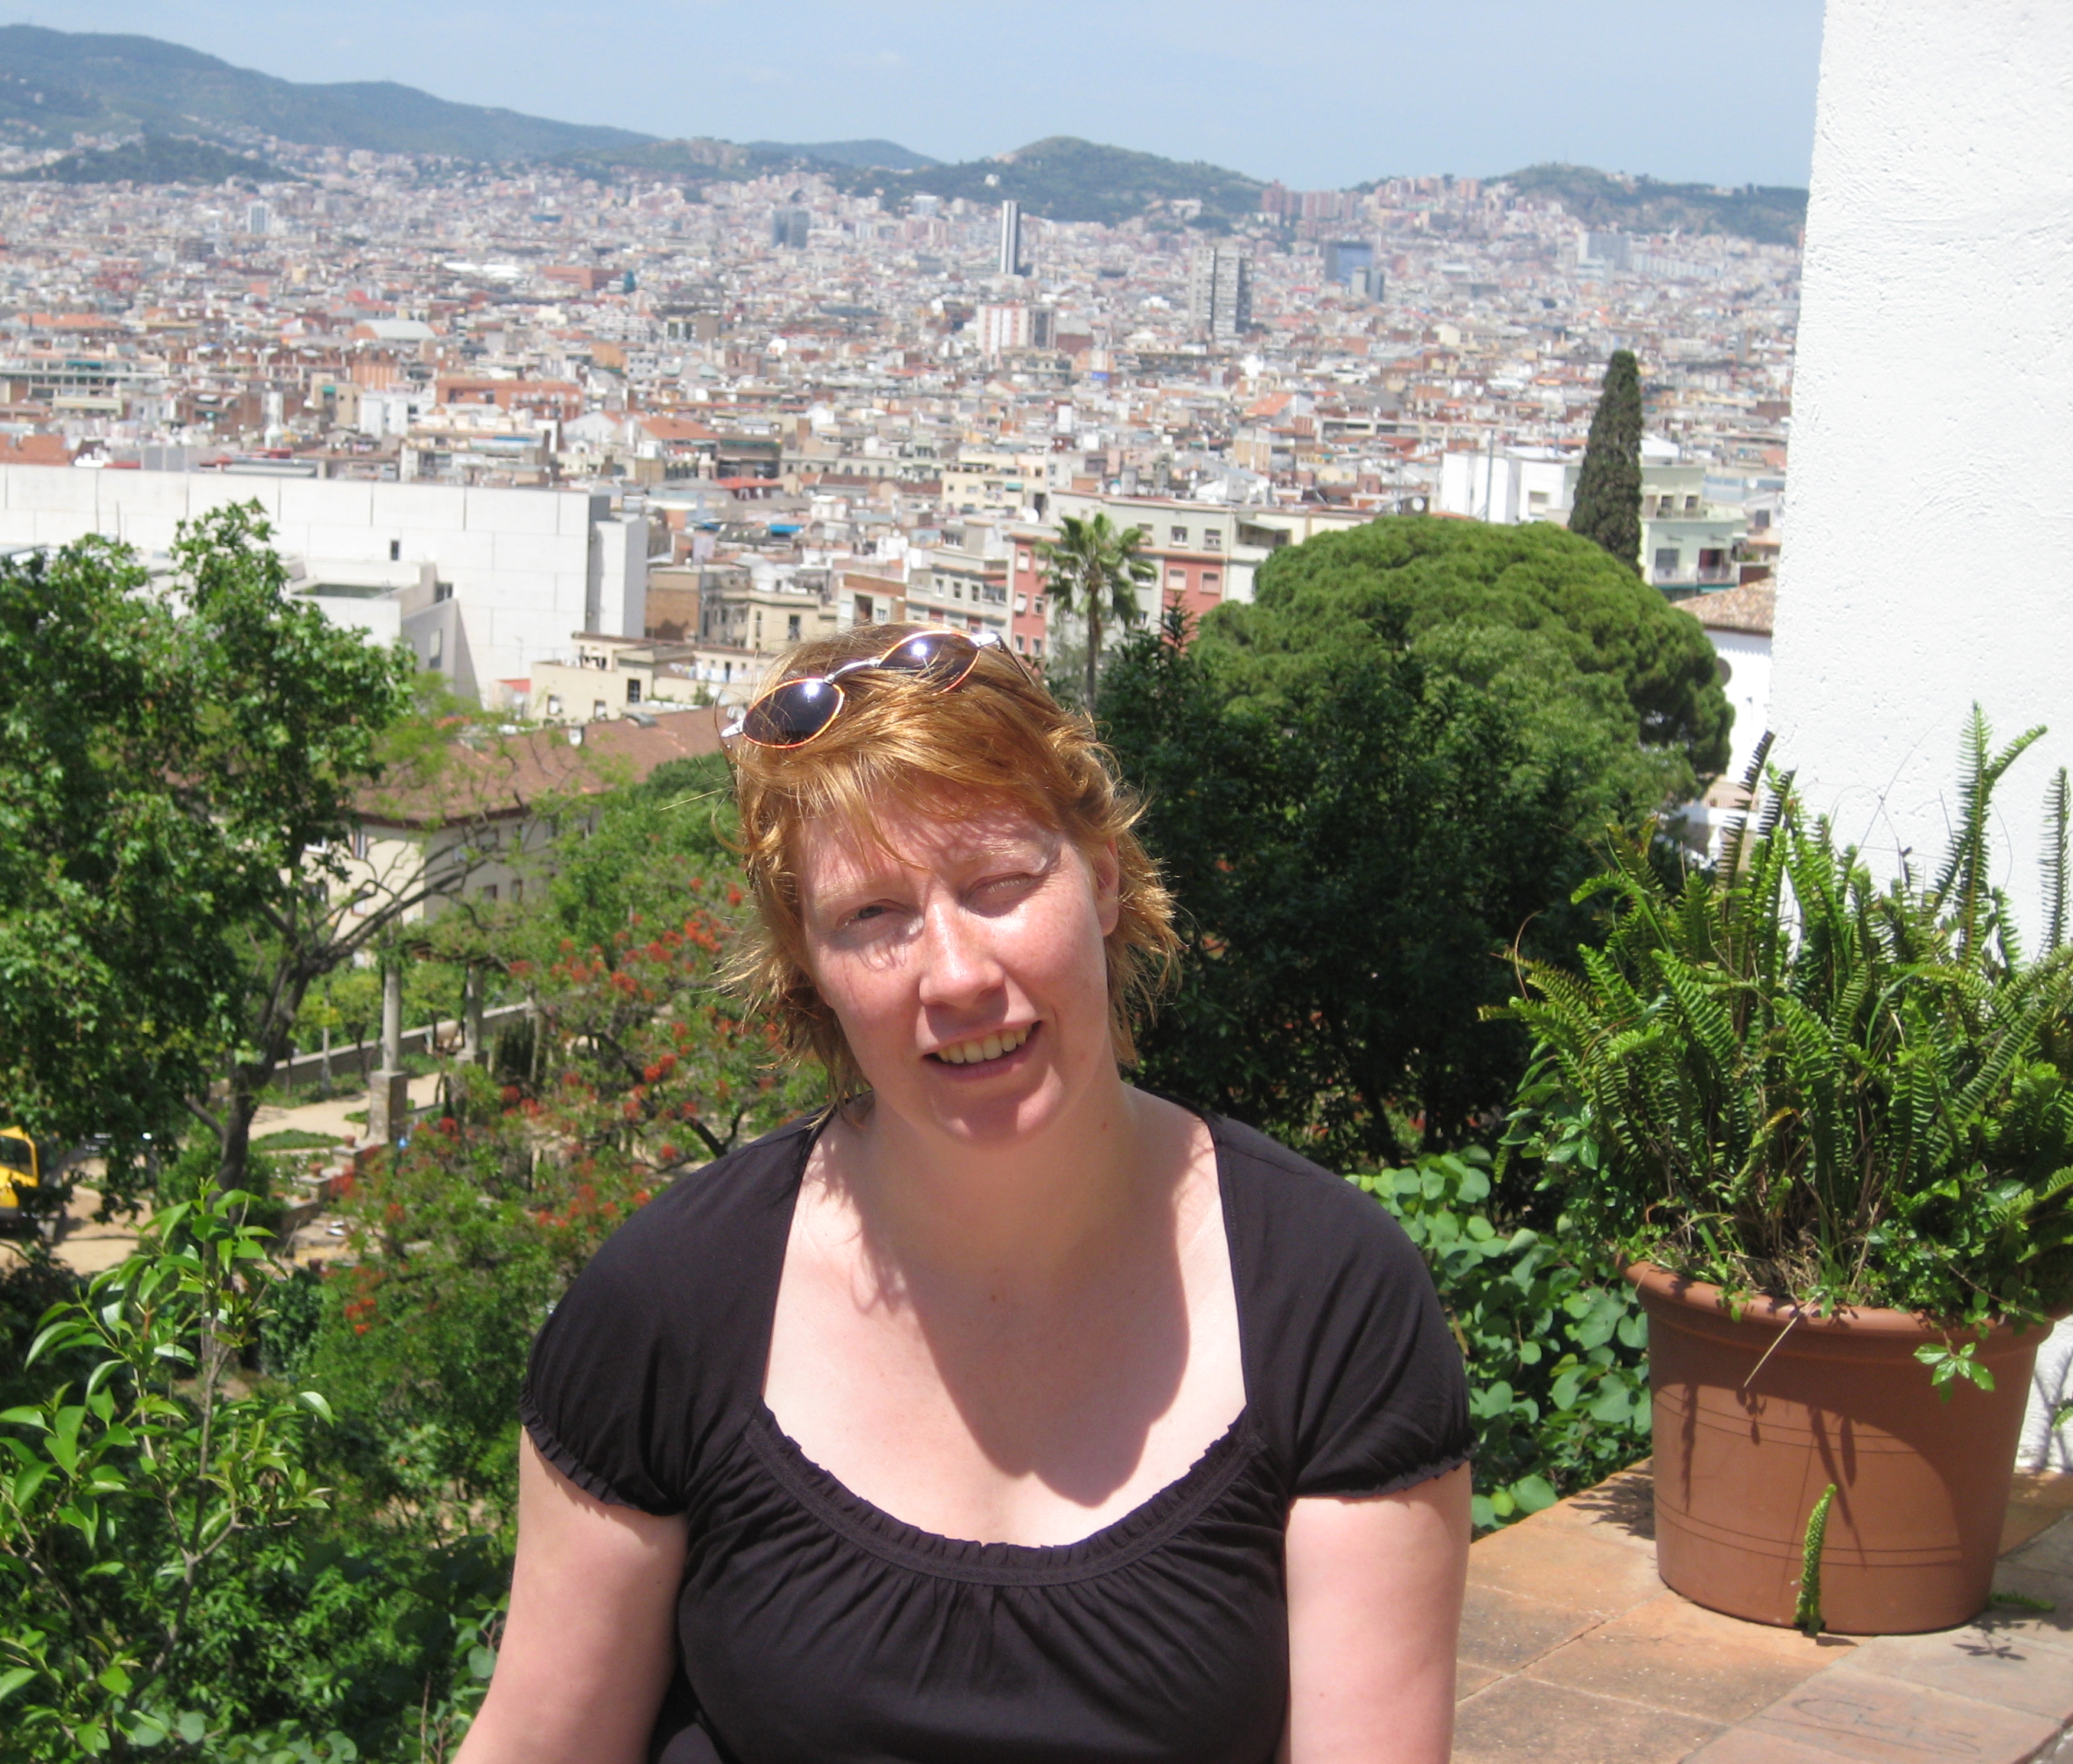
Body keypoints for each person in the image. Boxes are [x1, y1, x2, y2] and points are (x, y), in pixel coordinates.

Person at [455, 627, 1472, 1764]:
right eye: (871, 916)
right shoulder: (671, 1303)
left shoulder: (1328, 1299)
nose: (955, 975)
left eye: (999, 885)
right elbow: (539, 1740)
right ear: (810, 967)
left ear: (1101, 879)